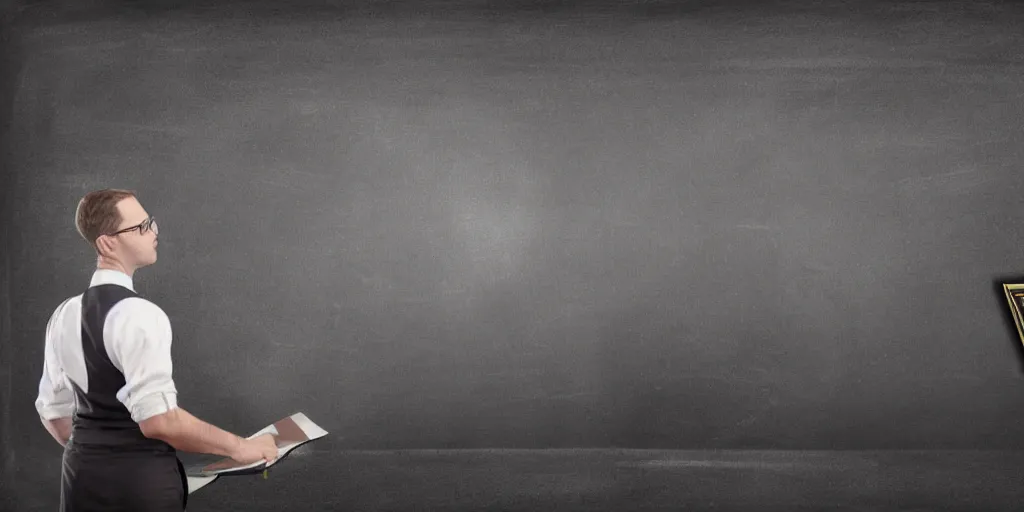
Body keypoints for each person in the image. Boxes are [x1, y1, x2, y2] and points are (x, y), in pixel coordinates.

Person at [34, 188, 279, 511]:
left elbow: (53, 412)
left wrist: (99, 455)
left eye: (151, 222)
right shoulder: (141, 314)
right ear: (107, 242)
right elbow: (159, 422)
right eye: (141, 227)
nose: (154, 231)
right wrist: (241, 447)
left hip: (81, 480)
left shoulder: (63, 314)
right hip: (141, 487)